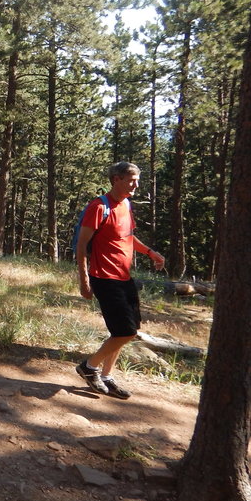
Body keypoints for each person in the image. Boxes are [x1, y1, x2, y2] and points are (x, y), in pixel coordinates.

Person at [75, 161, 165, 399]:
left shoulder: (126, 204)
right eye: (132, 180)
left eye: (137, 179)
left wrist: (150, 252)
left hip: (124, 276)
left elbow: (128, 236)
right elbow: (81, 245)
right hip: (104, 278)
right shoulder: (98, 206)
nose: (136, 184)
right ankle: (89, 367)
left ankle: (106, 376)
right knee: (124, 331)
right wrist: (84, 279)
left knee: (128, 330)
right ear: (116, 179)